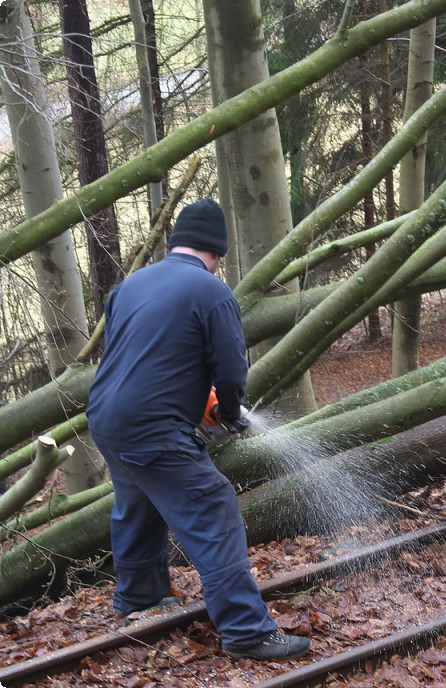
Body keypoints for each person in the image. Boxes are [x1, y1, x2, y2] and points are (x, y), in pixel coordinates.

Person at [87, 199, 310, 661]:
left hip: (107, 418)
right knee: (212, 505)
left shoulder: (130, 285)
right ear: (216, 253)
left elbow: (136, 355)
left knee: (138, 503)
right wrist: (229, 412)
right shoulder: (211, 292)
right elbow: (230, 371)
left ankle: (139, 598)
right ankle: (247, 631)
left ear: (177, 244)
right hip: (153, 427)